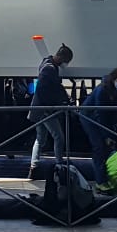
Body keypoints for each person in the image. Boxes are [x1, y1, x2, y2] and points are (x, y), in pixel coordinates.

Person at [79, 67, 117, 191]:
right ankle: (100, 181)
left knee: (115, 144)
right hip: (90, 117)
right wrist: (106, 136)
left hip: (107, 117)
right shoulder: (102, 90)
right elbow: (100, 114)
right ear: (113, 80)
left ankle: (113, 177)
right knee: (100, 146)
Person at [27, 43, 74, 180]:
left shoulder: (45, 63)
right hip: (46, 109)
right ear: (61, 57)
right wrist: (61, 101)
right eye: (66, 61)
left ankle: (33, 167)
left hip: (38, 109)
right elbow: (51, 89)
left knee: (40, 138)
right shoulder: (50, 69)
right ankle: (59, 164)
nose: (65, 64)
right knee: (58, 136)